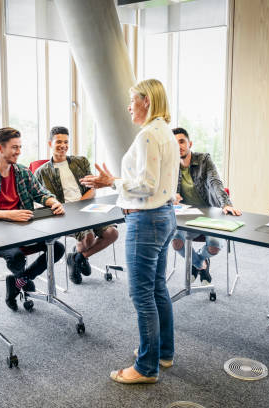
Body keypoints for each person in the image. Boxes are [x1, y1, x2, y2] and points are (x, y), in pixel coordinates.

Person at [81, 79, 179, 384]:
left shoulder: (149, 135)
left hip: (146, 220)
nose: (128, 106)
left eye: (132, 100)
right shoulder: (166, 133)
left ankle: (146, 367)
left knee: (142, 294)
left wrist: (111, 181)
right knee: (157, 289)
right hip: (163, 216)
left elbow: (146, 185)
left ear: (146, 100)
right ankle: (163, 352)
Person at [0, 127, 65, 311]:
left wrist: (53, 201)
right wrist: (9, 214)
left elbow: (41, 193)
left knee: (57, 248)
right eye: (14, 147)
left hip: (25, 229)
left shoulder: (22, 172)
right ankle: (25, 282)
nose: (19, 152)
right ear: (0, 148)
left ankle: (19, 281)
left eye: (20, 147)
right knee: (16, 256)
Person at [34, 126, 119, 284]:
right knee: (88, 237)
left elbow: (92, 189)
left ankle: (77, 257)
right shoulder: (41, 172)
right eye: (59, 142)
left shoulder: (80, 162)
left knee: (112, 234)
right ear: (50, 143)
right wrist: (75, 210)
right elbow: (45, 200)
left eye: (66, 142)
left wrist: (81, 206)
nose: (63, 145)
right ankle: (81, 255)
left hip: (88, 209)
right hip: (65, 215)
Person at [171, 127, 241, 283]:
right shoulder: (171, 166)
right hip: (184, 217)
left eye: (182, 141)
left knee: (214, 247)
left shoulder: (204, 160)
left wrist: (226, 203)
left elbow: (214, 182)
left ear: (190, 143)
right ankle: (201, 264)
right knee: (176, 243)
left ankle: (198, 261)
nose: (179, 147)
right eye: (174, 144)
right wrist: (170, 196)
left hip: (210, 215)